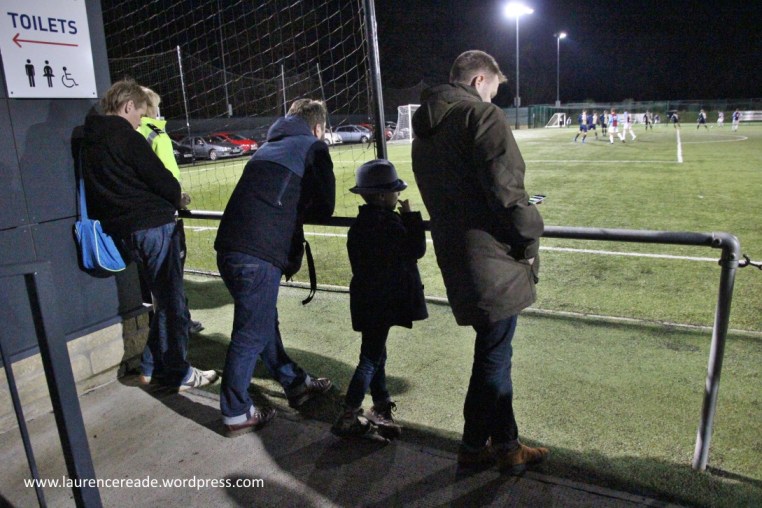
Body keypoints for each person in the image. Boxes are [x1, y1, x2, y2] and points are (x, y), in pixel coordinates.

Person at [411, 50, 548, 474]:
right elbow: (508, 195)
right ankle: (482, 447)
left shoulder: (425, 130)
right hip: (493, 258)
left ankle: (499, 444)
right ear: (478, 81)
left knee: (492, 350)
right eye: (493, 89)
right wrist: (530, 238)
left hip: (456, 255)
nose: (493, 99)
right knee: (494, 356)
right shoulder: (481, 116)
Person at [81, 80, 217, 391]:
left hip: (126, 232)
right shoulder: (127, 137)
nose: (140, 121)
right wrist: (178, 197)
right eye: (140, 115)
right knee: (172, 303)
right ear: (128, 106)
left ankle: (149, 367)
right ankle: (178, 373)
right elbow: (164, 182)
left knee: (164, 302)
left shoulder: (90, 140)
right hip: (154, 228)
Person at [214, 98, 336, 437]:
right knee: (251, 332)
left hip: (229, 247)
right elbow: (325, 206)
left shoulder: (266, 148)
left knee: (263, 321)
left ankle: (295, 382)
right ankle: (235, 412)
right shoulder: (313, 147)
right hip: (257, 252)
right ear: (317, 128)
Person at [331, 159, 428, 440]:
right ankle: (348, 415)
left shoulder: (360, 225)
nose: (398, 195)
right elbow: (416, 249)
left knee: (376, 353)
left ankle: (381, 404)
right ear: (383, 196)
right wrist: (410, 215)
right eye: (395, 191)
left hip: (366, 299)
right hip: (383, 302)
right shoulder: (389, 224)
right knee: (370, 359)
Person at [138, 87, 204, 335]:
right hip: (162, 216)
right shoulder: (156, 134)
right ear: (150, 107)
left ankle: (159, 322)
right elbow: (167, 177)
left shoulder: (130, 132)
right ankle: (179, 325)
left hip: (140, 219)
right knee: (171, 277)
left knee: (150, 279)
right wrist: (178, 199)